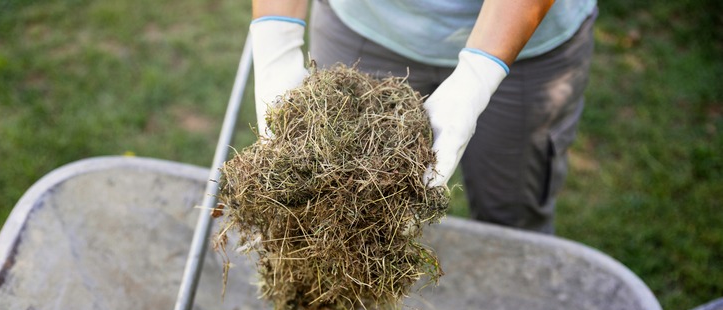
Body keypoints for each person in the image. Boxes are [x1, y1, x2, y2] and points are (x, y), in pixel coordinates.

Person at [250, 0, 597, 234]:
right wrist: (276, 38)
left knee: (512, 213)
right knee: (330, 203)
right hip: (365, 24)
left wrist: (479, 73)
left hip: (526, 38)